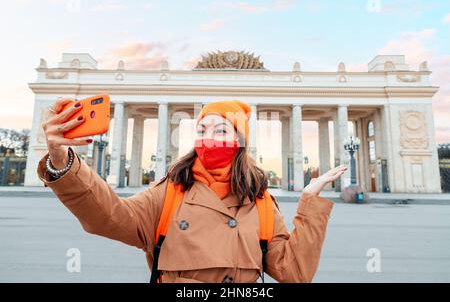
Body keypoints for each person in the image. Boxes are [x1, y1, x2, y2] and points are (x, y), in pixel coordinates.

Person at [37, 97, 347, 283]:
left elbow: (294, 273)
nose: (209, 137)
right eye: (201, 130)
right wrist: (63, 162)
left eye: (221, 129)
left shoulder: (261, 201)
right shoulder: (170, 192)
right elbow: (109, 217)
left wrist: (310, 202)